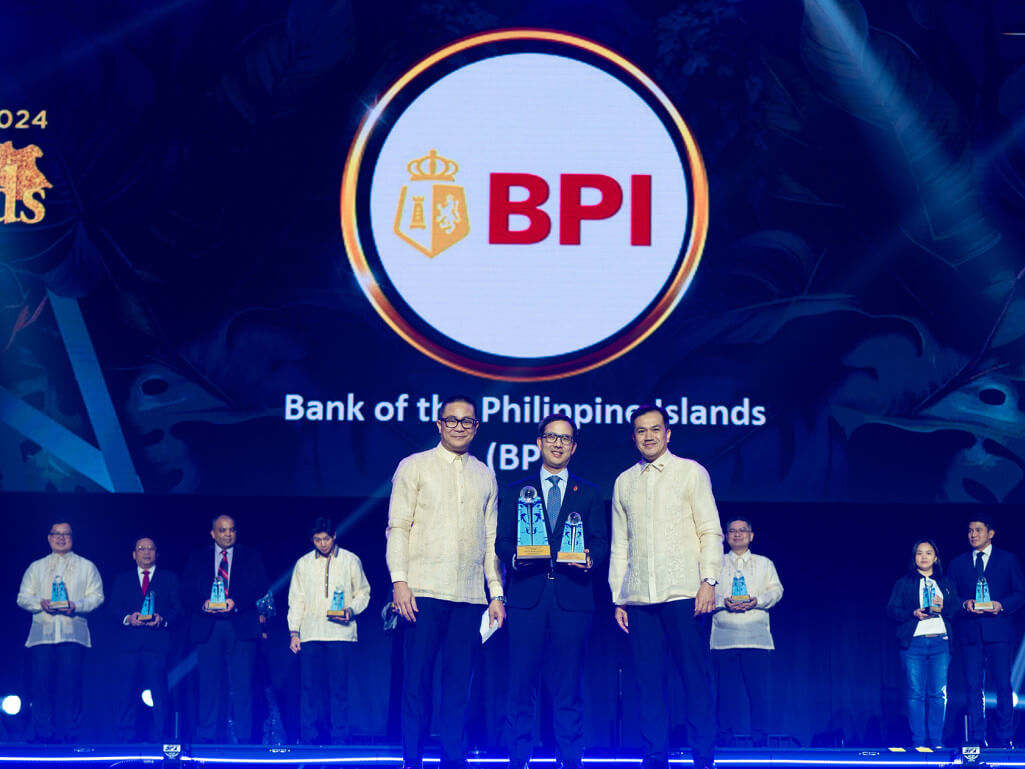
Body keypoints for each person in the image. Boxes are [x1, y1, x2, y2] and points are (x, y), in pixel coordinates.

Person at [387, 394, 506, 769]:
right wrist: (400, 581)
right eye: (451, 420)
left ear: (476, 427)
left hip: (470, 596)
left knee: (458, 687)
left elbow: (491, 541)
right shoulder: (414, 466)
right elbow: (398, 528)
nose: (458, 427)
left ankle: (454, 760)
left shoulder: (485, 473)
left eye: (466, 421)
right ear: (438, 425)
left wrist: (496, 593)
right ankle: (412, 761)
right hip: (422, 591)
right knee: (416, 685)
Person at [609, 405, 721, 769]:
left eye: (655, 429)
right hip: (640, 597)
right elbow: (620, 544)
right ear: (633, 436)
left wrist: (708, 581)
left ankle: (703, 757)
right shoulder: (624, 481)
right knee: (649, 682)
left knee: (695, 679)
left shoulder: (691, 473)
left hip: (685, 594)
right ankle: (655, 757)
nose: (649, 436)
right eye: (641, 430)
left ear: (668, 433)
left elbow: (709, 530)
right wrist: (619, 597)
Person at [496, 415, 609, 769]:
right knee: (520, 685)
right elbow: (501, 540)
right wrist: (515, 558)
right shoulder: (515, 490)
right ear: (538, 442)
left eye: (566, 439)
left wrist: (589, 558)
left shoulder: (589, 492)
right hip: (526, 598)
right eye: (551, 437)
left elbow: (600, 541)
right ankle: (518, 760)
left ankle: (570, 760)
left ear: (574, 447)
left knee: (568, 686)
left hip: (572, 599)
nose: (558, 444)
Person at [182, 514, 270, 743]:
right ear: (213, 533)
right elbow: (187, 590)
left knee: (243, 687)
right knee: (209, 686)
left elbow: (260, 584)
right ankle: (208, 739)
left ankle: (244, 741)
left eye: (232, 529)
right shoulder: (197, 557)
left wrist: (236, 600)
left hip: (239, 624)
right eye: (223, 530)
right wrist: (204, 604)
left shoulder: (250, 556)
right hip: (208, 626)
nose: (228, 534)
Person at [16, 520, 104, 743]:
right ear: (49, 538)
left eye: (66, 534)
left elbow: (97, 597)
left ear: (72, 538)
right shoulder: (36, 567)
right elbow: (22, 598)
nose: (61, 537)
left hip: (73, 634)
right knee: (41, 686)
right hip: (42, 636)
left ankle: (70, 735)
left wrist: (76, 605)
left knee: (71, 686)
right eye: (56, 534)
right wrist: (41, 602)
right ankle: (44, 734)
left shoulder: (87, 566)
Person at [287, 517, 371, 744]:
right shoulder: (303, 564)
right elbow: (296, 600)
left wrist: (351, 610)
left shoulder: (350, 560)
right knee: (309, 689)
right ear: (312, 539)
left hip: (340, 634)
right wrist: (294, 632)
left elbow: (363, 593)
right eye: (317, 539)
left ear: (334, 536)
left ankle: (340, 740)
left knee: (339, 689)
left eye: (326, 539)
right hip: (311, 633)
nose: (322, 544)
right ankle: (309, 738)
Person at [947, 518, 1025, 747]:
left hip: (999, 631)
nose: (973, 534)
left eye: (978, 530)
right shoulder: (957, 563)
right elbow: (949, 598)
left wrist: (1002, 605)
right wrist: (964, 604)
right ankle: (977, 737)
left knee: (1003, 686)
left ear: (991, 533)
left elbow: (1020, 592)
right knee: (973, 687)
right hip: (970, 633)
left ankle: (1005, 737)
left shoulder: (1007, 559)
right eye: (970, 530)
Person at [710, 516, 783, 747]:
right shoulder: (714, 563)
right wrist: (724, 602)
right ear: (725, 536)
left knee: (758, 693)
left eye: (743, 530)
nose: (737, 534)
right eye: (732, 531)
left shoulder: (764, 563)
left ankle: (760, 740)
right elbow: (702, 592)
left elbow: (777, 590)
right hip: (724, 638)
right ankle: (724, 740)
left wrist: (757, 601)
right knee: (726, 694)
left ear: (751, 535)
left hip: (757, 639)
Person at [108, 536, 183, 742]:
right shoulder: (123, 579)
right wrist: (127, 618)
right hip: (130, 645)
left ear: (157, 553)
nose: (146, 552)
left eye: (150, 548)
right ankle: (125, 738)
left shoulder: (170, 578)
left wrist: (163, 619)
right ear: (134, 554)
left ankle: (162, 738)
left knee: (159, 693)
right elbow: (113, 609)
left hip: (156, 644)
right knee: (125, 693)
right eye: (141, 548)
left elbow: (178, 608)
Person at [886, 539, 955, 748]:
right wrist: (913, 613)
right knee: (916, 693)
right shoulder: (904, 583)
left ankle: (936, 741)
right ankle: (919, 741)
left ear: (936, 557)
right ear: (914, 557)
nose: (924, 556)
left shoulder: (945, 582)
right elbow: (892, 610)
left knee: (938, 694)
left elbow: (955, 610)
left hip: (940, 643)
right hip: (914, 643)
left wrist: (946, 607)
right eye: (919, 553)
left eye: (928, 553)